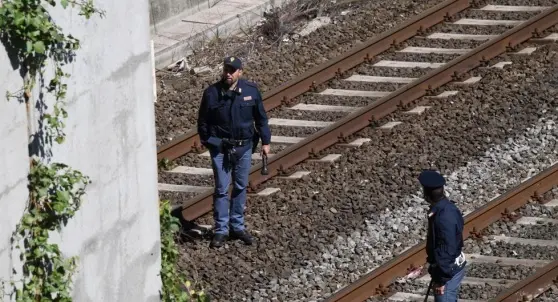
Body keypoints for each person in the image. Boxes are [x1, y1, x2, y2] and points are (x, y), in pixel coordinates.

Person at [197, 56, 271, 248]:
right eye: (226, 70)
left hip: (244, 147)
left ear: (240, 72)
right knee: (222, 188)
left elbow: (261, 118)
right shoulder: (212, 93)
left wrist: (266, 142)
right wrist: (211, 143)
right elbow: (203, 123)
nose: (228, 73)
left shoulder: (251, 91)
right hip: (221, 148)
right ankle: (221, 229)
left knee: (240, 186)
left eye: (232, 70)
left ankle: (237, 226)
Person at [418, 170, 466, 302]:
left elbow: (447, 248)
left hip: (448, 270)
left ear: (427, 193)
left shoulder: (443, 216)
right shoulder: (446, 208)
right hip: (449, 267)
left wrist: (441, 279)